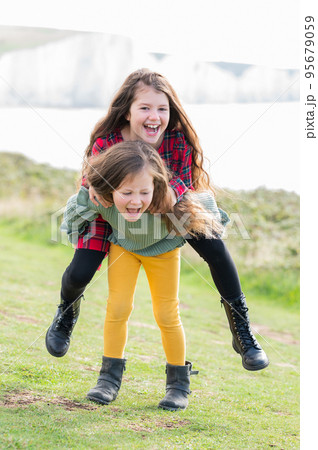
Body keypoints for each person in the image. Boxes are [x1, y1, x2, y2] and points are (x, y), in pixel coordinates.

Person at [46, 68, 269, 371]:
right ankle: (66, 314)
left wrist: (157, 196)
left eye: (162, 109)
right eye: (145, 108)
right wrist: (102, 190)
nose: (155, 116)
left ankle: (241, 331)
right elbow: (93, 180)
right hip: (114, 209)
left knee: (215, 248)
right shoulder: (107, 140)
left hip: (167, 205)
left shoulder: (176, 141)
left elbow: (183, 183)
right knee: (79, 272)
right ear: (127, 112)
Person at [60, 140, 225, 410]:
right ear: (110, 189)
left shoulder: (167, 199)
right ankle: (108, 380)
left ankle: (178, 384)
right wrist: (85, 195)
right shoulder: (103, 199)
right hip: (124, 248)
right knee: (118, 307)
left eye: (143, 192)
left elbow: (205, 202)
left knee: (166, 313)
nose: (136, 201)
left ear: (156, 187)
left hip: (163, 251)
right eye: (126, 192)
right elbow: (75, 210)